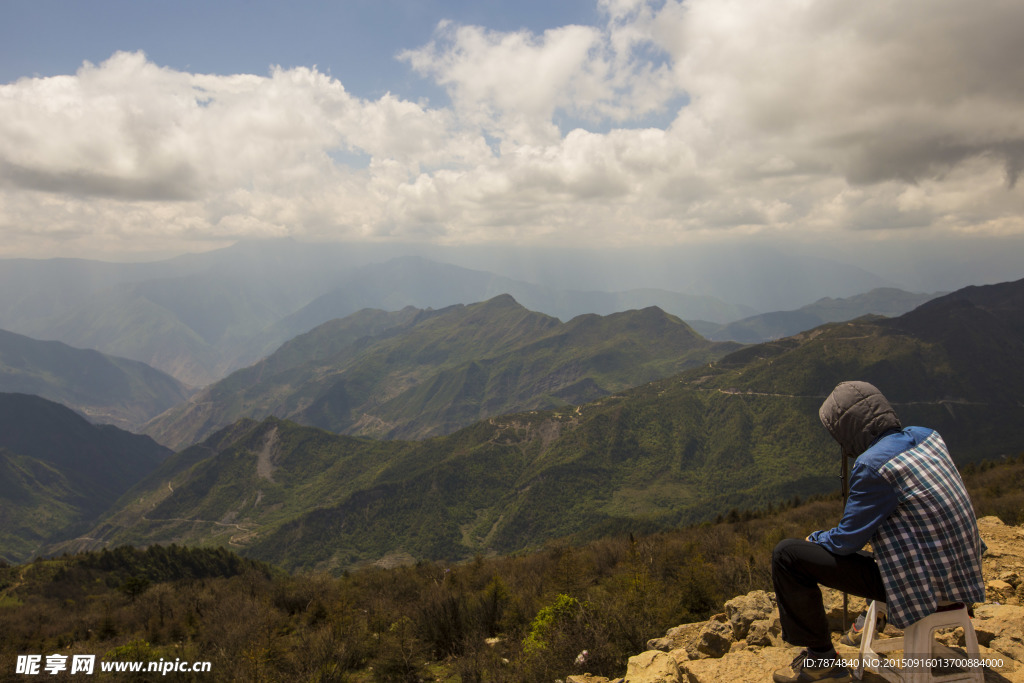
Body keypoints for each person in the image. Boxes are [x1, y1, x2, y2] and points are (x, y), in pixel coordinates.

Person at [770, 381, 986, 683]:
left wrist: (815, 538)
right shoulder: (929, 437)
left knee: (787, 556)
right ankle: (872, 617)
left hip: (925, 587)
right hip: (963, 573)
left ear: (848, 430)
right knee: (886, 543)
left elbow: (846, 542)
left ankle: (822, 663)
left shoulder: (873, 466)